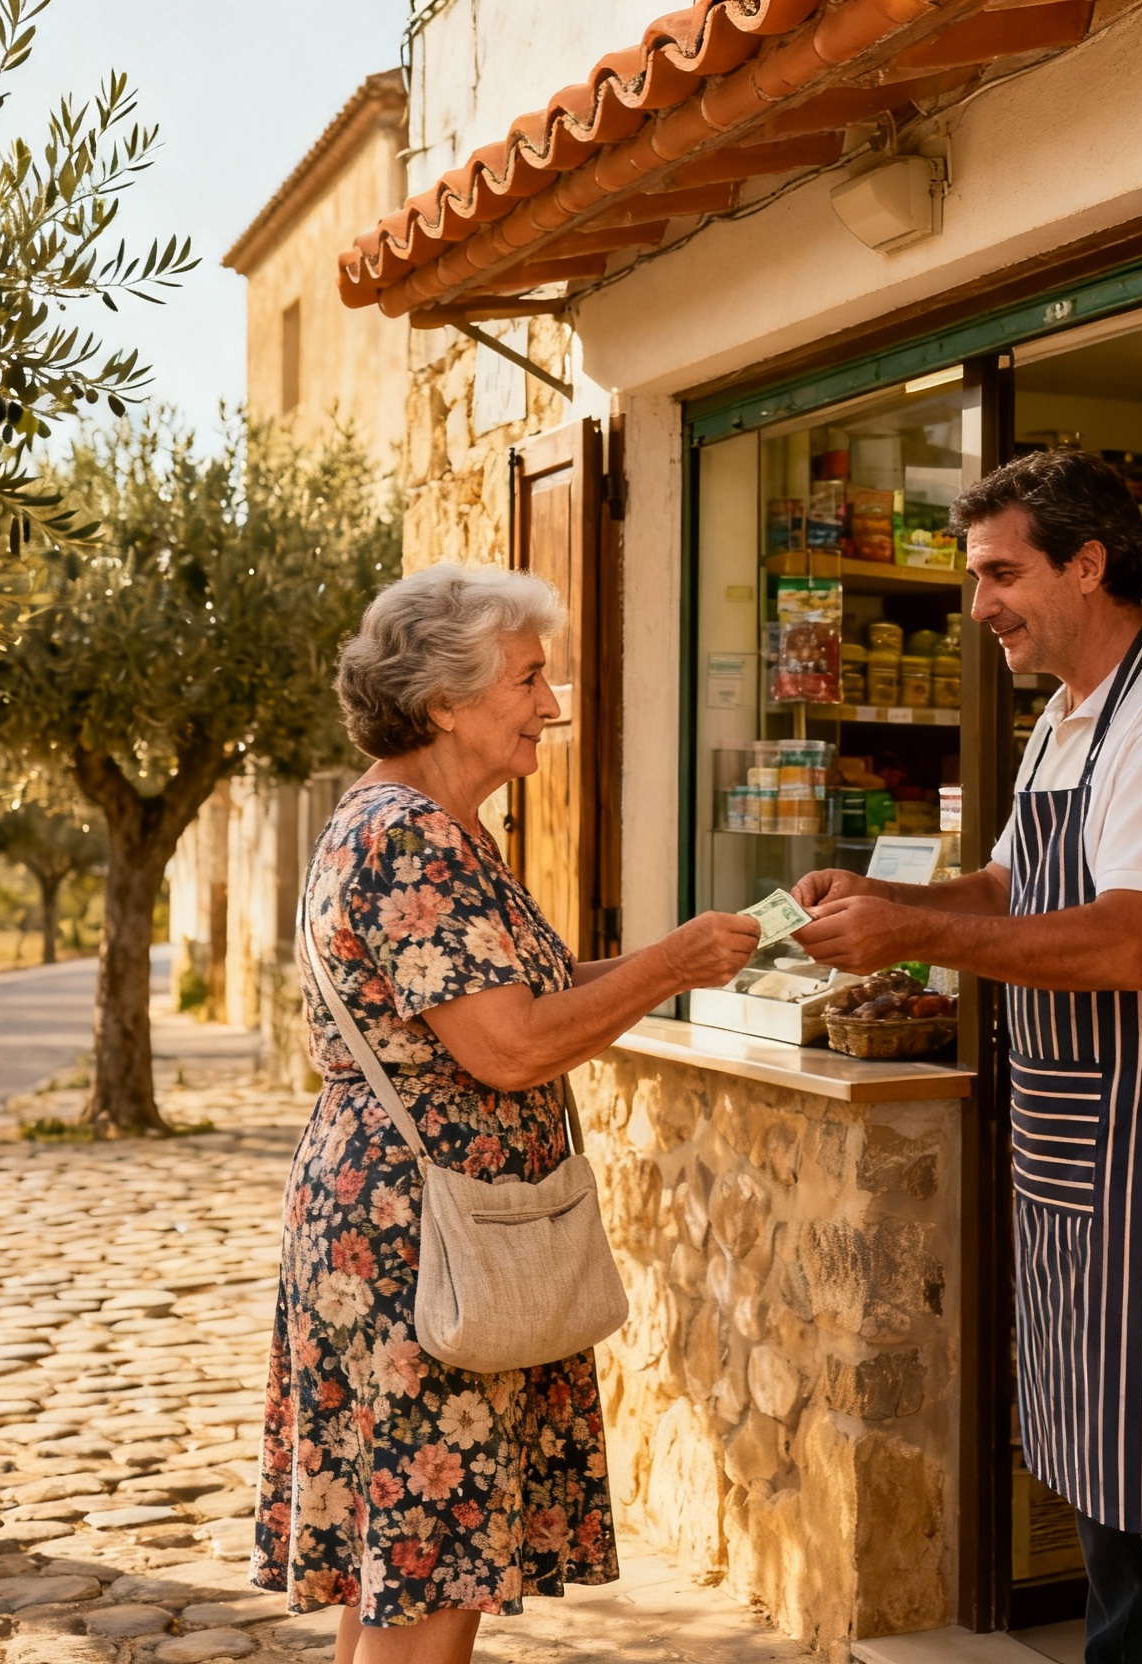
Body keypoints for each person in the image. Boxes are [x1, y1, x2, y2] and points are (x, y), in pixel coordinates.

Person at [791, 449, 1142, 1664]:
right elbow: (1011, 884)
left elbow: (1122, 943)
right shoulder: (1065, 720)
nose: (982, 606)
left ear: (1088, 563)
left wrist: (911, 934)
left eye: (1001, 574)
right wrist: (885, 897)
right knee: (1102, 1468)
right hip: (1080, 1139)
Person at [251, 562, 759, 1664]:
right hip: (426, 1234)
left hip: (425, 1221)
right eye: (529, 678)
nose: (553, 704)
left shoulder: (431, 824)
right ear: (444, 699)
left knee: (407, 1565)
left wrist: (688, 959)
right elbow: (512, 1044)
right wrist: (672, 964)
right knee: (429, 1567)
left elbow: (529, 993)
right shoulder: (410, 837)